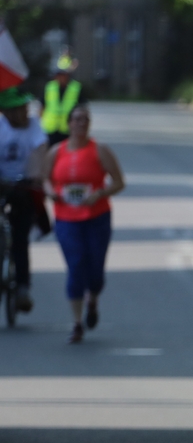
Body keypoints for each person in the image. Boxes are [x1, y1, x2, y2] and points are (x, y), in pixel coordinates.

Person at [43, 105, 125, 343]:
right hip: (66, 218)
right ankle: (77, 323)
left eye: (85, 120)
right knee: (76, 265)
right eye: (77, 119)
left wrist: (99, 193)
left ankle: (93, 299)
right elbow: (45, 179)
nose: (81, 123)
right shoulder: (56, 152)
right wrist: (52, 192)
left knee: (95, 270)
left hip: (96, 217)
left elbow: (119, 182)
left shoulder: (100, 150)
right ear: (69, 124)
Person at [0, 87, 49, 314]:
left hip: (23, 185)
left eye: (24, 107)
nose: (23, 112)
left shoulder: (34, 126)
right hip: (1, 183)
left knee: (20, 239)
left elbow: (40, 150)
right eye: (17, 109)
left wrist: (36, 175)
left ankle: (22, 288)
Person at [40, 53, 83, 147]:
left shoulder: (76, 88)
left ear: (67, 75)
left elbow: (82, 109)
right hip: (50, 129)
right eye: (58, 75)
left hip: (67, 130)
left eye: (62, 75)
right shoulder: (49, 87)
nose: (60, 77)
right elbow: (42, 107)